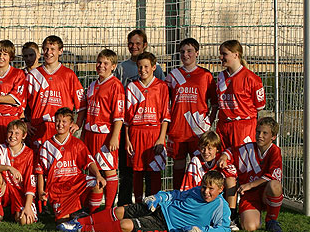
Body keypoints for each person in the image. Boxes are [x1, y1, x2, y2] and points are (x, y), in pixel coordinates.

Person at [66, 171, 231, 232]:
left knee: (125, 225)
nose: (206, 191)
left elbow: (224, 229)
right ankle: (77, 222)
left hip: (164, 223)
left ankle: (83, 229)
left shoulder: (220, 206)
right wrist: (157, 198)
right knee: (120, 211)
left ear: (221, 189)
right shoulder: (195, 190)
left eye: (211, 189)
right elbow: (175, 194)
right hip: (159, 208)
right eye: (204, 187)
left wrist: (201, 231)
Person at [114, 29, 164, 206]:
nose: (134, 47)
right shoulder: (122, 69)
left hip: (152, 131)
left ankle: (154, 205)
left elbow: (163, 108)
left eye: (137, 43)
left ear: (145, 45)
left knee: (153, 171)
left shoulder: (158, 78)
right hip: (132, 129)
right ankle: (128, 205)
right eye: (131, 43)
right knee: (129, 170)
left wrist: (162, 136)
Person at [35, 108, 106, 224]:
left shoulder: (77, 143)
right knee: (63, 222)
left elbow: (89, 162)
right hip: (57, 188)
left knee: (97, 184)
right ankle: (76, 214)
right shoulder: (47, 145)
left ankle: (92, 217)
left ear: (71, 124)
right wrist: (41, 192)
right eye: (58, 121)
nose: (60, 125)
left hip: (75, 182)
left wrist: (98, 175)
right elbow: (40, 172)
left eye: (64, 122)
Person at [166, 38, 217, 189]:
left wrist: (209, 122)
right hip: (178, 129)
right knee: (178, 165)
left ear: (197, 53)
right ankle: (177, 197)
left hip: (198, 130)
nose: (185, 55)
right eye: (182, 52)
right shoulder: (173, 75)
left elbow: (214, 103)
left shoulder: (205, 75)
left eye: (189, 51)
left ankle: (197, 197)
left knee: (198, 165)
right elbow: (165, 102)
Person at [218, 117, 284, 232]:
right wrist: (223, 158)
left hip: (265, 192)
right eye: (258, 132)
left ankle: (271, 220)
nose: (260, 135)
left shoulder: (275, 151)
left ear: (273, 137)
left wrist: (250, 185)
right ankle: (246, 216)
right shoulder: (247, 148)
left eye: (265, 133)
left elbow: (274, 175)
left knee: (275, 186)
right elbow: (231, 151)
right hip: (250, 196)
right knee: (249, 227)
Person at [24, 35, 86, 148]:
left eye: (53, 49)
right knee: (39, 164)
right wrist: (25, 122)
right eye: (46, 49)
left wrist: (78, 124)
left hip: (61, 128)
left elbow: (81, 104)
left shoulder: (69, 75)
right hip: (38, 128)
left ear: (60, 51)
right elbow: (22, 102)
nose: (48, 52)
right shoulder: (33, 75)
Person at [83, 49, 124, 209]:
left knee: (109, 170)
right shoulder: (93, 84)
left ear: (113, 66)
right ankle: (92, 208)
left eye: (105, 63)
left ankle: (108, 209)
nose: (101, 66)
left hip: (105, 135)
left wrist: (114, 137)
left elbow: (119, 115)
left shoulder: (116, 86)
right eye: (99, 62)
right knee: (93, 169)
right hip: (90, 133)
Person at [215, 39, 266, 149]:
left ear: (236, 55)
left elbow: (260, 106)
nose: (221, 57)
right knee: (223, 162)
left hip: (243, 126)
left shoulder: (251, 78)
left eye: (224, 54)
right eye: (220, 54)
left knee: (242, 161)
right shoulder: (221, 76)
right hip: (223, 126)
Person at [0, 119, 38, 225]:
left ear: (24, 136)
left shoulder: (29, 154)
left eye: (17, 133)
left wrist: (27, 206)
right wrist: (8, 168)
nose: (12, 136)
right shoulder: (1, 148)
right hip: (6, 189)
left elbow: (30, 184)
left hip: (21, 194)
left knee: (25, 221)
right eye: (10, 132)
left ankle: (12, 212)